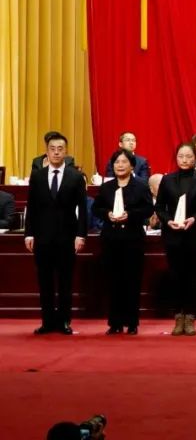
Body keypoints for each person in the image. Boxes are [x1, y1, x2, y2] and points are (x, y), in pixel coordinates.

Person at [24, 132, 87, 335]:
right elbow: (31, 206)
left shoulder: (75, 176)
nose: (56, 153)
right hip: (42, 237)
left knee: (65, 281)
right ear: (47, 151)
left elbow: (82, 208)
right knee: (45, 281)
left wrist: (81, 235)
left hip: (67, 237)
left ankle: (64, 321)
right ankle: (47, 321)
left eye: (60, 149)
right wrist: (29, 234)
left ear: (66, 151)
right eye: (52, 149)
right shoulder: (38, 176)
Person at [155, 143, 196, 335]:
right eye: (181, 156)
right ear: (176, 158)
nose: (184, 159)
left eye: (189, 156)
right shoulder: (167, 180)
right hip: (172, 234)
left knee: (192, 276)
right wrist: (168, 221)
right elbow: (160, 207)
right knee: (175, 276)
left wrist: (195, 219)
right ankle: (178, 316)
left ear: (195, 158)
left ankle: (190, 317)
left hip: (193, 234)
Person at [91, 149, 152, 334]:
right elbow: (96, 208)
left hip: (133, 239)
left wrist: (130, 215)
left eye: (124, 162)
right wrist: (107, 214)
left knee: (132, 281)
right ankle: (115, 322)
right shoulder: (107, 187)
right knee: (113, 281)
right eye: (117, 162)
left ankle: (132, 322)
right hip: (111, 239)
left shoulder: (140, 186)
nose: (120, 165)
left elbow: (148, 209)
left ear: (132, 166)